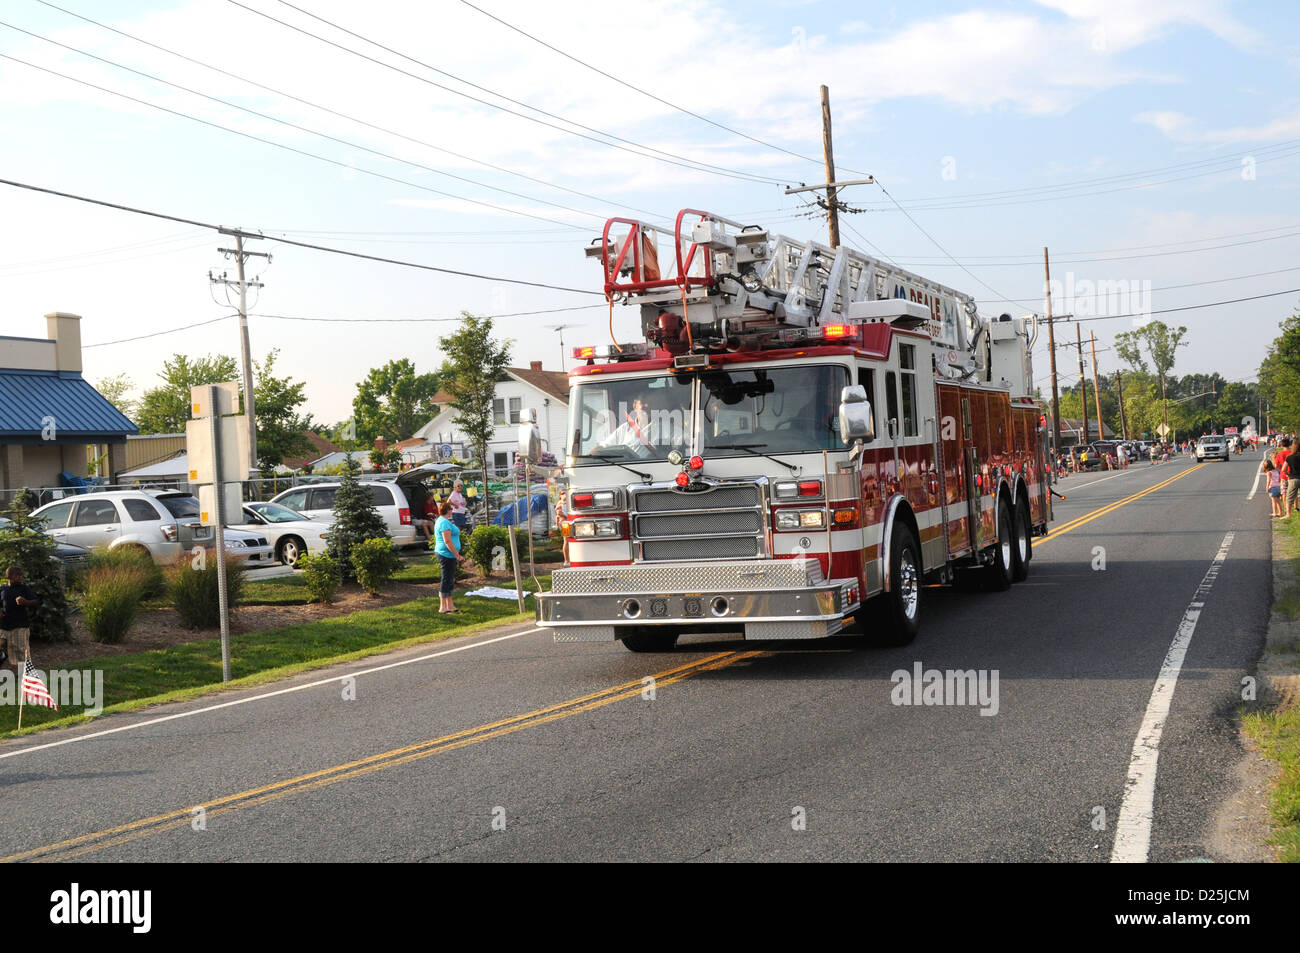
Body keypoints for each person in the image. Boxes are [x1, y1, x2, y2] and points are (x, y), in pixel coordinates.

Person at [0, 567, 40, 669]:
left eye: (21, 575)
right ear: (9, 576)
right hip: (4, 625)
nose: (20, 577)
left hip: (20, 625)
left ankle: (26, 674)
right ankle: (3, 656)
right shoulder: (3, 589)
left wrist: (25, 602)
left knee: (22, 651)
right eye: (17, 575)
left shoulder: (24, 588)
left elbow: (36, 601)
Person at [434, 500, 463, 613]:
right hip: (446, 554)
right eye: (451, 509)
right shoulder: (444, 523)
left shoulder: (443, 521)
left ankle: (450, 605)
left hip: (448, 555)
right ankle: (443, 607)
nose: (452, 510)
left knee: (450, 579)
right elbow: (447, 541)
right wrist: (457, 555)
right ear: (448, 510)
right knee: (446, 579)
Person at [1284, 439, 1300, 517]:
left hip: (1294, 478)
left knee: (1290, 497)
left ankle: (1288, 514)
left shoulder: (1289, 457)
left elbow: (1284, 469)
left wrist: (1289, 475)